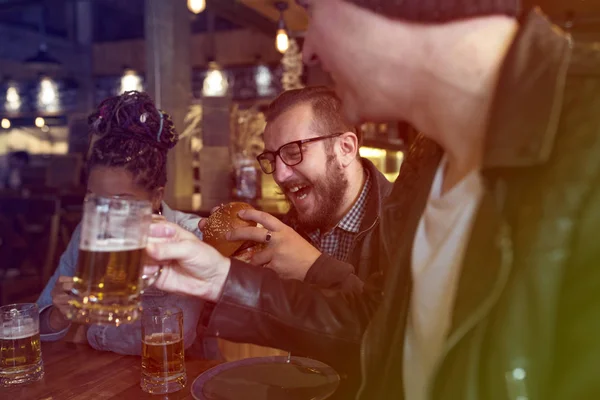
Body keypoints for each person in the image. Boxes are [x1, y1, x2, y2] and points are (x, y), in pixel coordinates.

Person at [147, 1, 600, 399]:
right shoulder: (427, 160)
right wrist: (220, 279)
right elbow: (378, 329)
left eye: (315, 10)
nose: (309, 51)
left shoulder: (587, 139)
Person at [37, 91, 218, 358]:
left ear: (156, 196)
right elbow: (36, 326)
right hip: (100, 380)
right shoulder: (88, 232)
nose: (106, 215)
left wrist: (85, 330)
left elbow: (173, 339)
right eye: (95, 200)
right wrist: (58, 316)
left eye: (121, 203)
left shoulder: (190, 237)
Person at [223, 86, 392, 288]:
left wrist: (313, 269)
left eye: (294, 153)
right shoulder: (287, 229)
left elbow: (393, 317)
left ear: (345, 148)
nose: (279, 175)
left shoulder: (406, 227)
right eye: (272, 159)